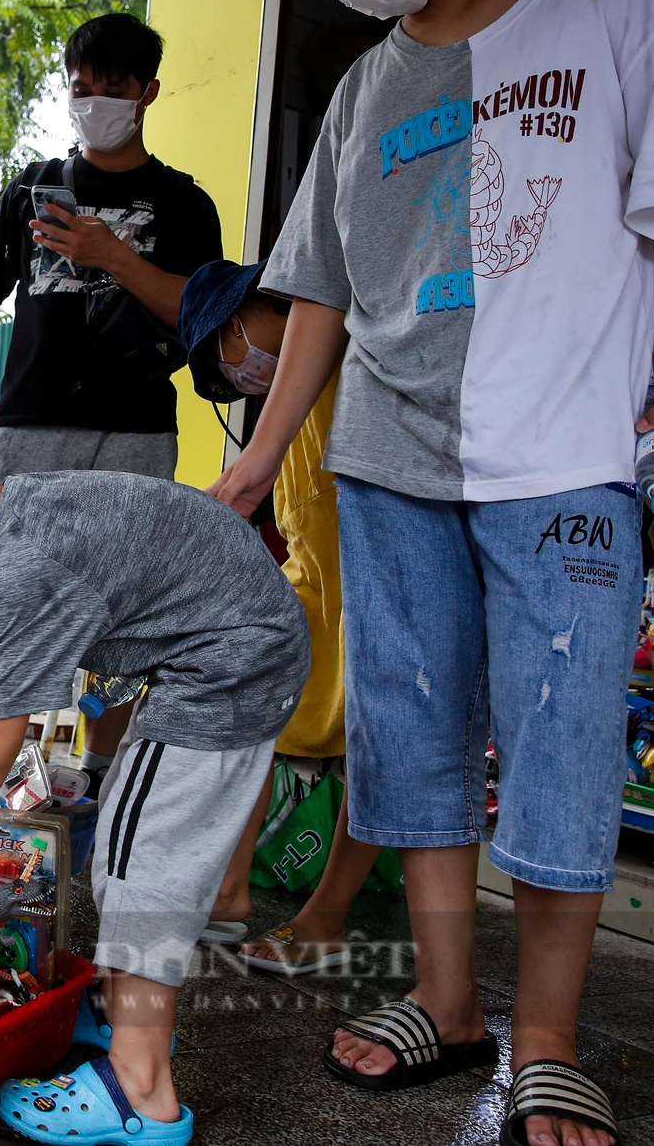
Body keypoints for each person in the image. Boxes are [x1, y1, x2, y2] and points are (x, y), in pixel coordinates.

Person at [209, 0, 654, 1146]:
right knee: (413, 735)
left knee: (564, 737)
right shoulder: (361, 96)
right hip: (390, 466)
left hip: (566, 453)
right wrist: (260, 452)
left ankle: (551, 1039)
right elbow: (321, 301)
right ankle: (450, 1003)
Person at [0, 405, 308, 1146]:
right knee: (122, 847)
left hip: (228, 664)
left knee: (143, 864)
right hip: (231, 648)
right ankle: (124, 1012)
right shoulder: (34, 507)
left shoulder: (28, 561)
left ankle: (141, 1087)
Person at [0, 12, 225, 798]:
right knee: (5, 589)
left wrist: (109, 253)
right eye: (81, 89)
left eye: (112, 90)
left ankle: (99, 768)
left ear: (148, 92)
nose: (93, 104)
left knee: (121, 604)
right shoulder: (32, 189)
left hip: (135, 429)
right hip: (28, 424)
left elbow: (200, 313)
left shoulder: (184, 204)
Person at [176, 259, 383, 975]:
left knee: (378, 744)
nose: (239, 378)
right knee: (246, 709)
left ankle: (325, 915)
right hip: (314, 584)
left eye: (224, 360)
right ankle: (227, 890)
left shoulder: (354, 343)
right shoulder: (287, 396)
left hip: (380, 573)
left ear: (239, 320)